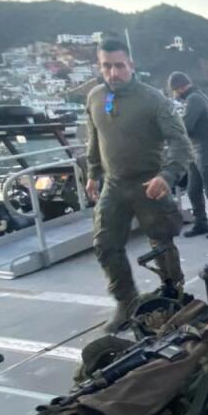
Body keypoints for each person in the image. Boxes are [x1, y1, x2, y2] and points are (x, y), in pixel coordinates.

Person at [85, 36, 194, 332]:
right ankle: (126, 302)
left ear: (131, 65)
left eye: (119, 66)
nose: (113, 73)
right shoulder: (95, 97)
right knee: (106, 245)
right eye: (107, 66)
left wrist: (167, 175)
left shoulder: (153, 99)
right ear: (100, 66)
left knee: (162, 241)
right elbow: (95, 138)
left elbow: (180, 143)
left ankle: (175, 295)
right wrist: (93, 172)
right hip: (114, 185)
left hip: (149, 183)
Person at [167, 71, 208, 239]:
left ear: (179, 88)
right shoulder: (196, 97)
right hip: (196, 151)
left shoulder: (195, 99)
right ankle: (201, 223)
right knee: (193, 190)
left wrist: (170, 128)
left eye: (174, 90)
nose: (175, 94)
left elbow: (186, 126)